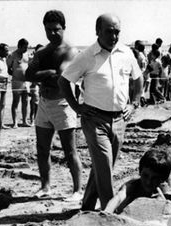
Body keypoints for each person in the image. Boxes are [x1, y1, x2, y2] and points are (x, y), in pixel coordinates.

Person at [59, 13, 143, 210]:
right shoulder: (87, 56)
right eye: (109, 31)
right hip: (94, 119)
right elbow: (64, 81)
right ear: (97, 31)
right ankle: (109, 212)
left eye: (117, 32)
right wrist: (76, 107)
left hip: (120, 119)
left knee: (101, 168)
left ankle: (87, 207)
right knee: (105, 169)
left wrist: (135, 102)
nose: (113, 36)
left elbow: (138, 78)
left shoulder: (126, 53)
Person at [24, 10, 83, 201]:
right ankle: (45, 186)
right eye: (48, 30)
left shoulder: (70, 50)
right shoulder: (43, 51)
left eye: (56, 29)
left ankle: (77, 190)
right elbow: (28, 75)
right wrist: (48, 72)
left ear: (63, 28)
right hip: (44, 102)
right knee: (42, 148)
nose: (52, 33)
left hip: (63, 103)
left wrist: (45, 72)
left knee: (69, 149)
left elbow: (61, 74)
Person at [105, 148, 171, 214]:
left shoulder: (162, 191)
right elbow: (118, 198)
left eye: (155, 178)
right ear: (140, 171)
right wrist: (107, 212)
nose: (148, 182)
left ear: (162, 179)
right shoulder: (132, 186)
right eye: (145, 175)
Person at [7, 38, 30, 128]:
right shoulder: (12, 55)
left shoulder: (26, 54)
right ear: (19, 46)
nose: (26, 49)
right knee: (15, 102)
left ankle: (24, 121)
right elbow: (8, 68)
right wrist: (15, 74)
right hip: (16, 82)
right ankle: (15, 122)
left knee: (26, 101)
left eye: (27, 47)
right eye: (24, 47)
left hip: (26, 82)